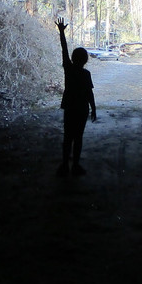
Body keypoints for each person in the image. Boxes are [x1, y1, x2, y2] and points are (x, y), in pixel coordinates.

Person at [55, 17, 96, 177]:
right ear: (86, 60)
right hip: (81, 109)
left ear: (73, 58)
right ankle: (76, 166)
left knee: (67, 136)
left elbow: (64, 50)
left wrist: (62, 33)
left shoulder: (69, 69)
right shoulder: (86, 74)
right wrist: (94, 109)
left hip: (70, 107)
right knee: (78, 137)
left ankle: (65, 165)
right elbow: (89, 93)